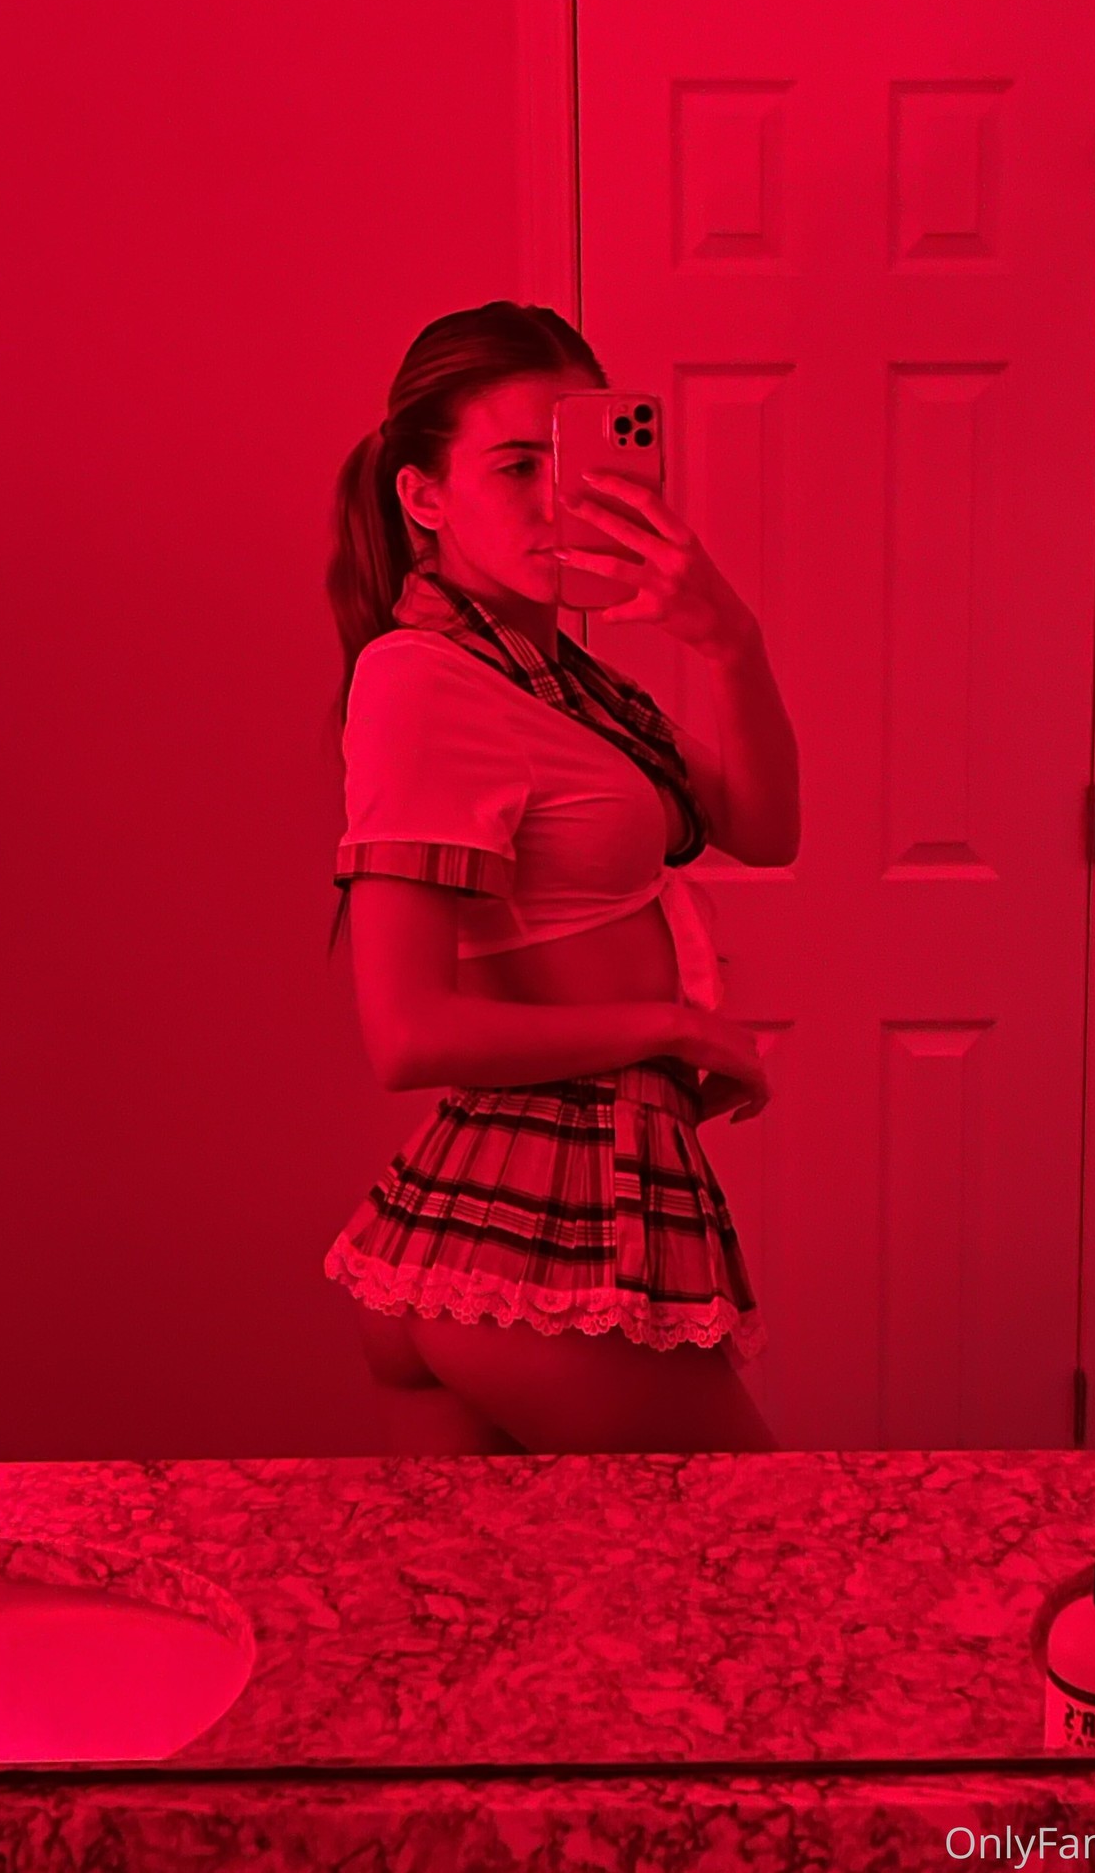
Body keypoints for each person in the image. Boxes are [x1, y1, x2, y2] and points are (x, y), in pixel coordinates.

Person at [322, 301, 798, 1455]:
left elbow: (766, 825)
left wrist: (728, 637)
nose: (555, 498)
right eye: (515, 465)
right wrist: (673, 1027)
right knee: (758, 1542)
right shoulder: (422, 678)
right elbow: (405, 1034)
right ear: (423, 497)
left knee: (524, 1580)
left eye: (571, 460)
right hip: (537, 1221)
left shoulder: (568, 685)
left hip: (533, 1213)